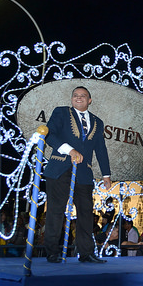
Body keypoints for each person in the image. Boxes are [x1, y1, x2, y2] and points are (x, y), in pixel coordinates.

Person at [43, 86, 112, 264]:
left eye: (83, 96)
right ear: (71, 99)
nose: (79, 98)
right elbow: (49, 135)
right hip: (59, 168)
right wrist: (70, 150)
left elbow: (101, 149)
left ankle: (86, 253)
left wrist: (106, 174)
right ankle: (52, 252)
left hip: (83, 173)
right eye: (75, 95)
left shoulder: (98, 122)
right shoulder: (61, 113)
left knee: (86, 213)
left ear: (90, 100)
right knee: (56, 211)